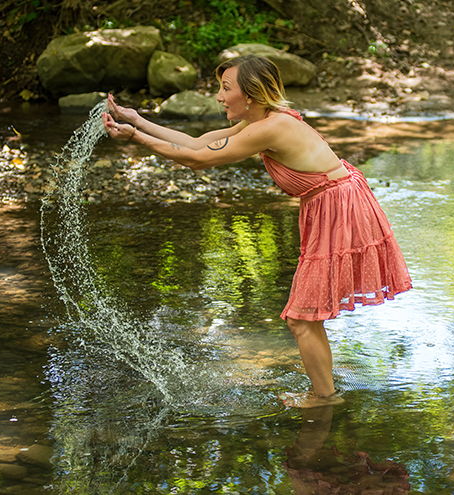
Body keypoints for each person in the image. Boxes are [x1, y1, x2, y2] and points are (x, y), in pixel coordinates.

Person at [102, 54, 412, 408]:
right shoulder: (262, 120)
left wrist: (136, 139)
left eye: (225, 88)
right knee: (304, 318)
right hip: (334, 201)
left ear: (249, 95)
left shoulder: (270, 127)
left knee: (301, 318)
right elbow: (197, 142)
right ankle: (325, 395)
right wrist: (136, 120)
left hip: (338, 207)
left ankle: (324, 399)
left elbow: (198, 159)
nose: (219, 96)